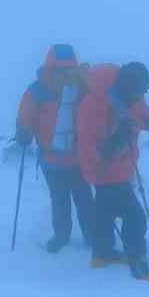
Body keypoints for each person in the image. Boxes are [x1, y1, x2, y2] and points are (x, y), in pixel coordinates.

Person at [76, 61, 149, 281]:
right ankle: (136, 260)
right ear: (127, 86)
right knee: (134, 216)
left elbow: (146, 118)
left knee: (104, 213)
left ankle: (102, 254)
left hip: (121, 169)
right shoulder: (93, 106)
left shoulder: (131, 97)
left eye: (146, 91)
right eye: (141, 91)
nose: (142, 96)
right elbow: (91, 151)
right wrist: (116, 140)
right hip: (105, 172)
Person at [15, 44, 94, 253]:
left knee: (83, 200)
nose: (63, 73)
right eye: (59, 69)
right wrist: (23, 132)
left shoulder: (82, 86)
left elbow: (95, 111)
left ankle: (89, 236)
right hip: (55, 161)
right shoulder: (38, 90)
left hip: (77, 159)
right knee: (63, 201)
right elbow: (26, 116)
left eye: (67, 69)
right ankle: (63, 236)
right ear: (50, 67)